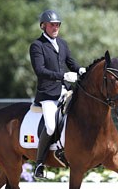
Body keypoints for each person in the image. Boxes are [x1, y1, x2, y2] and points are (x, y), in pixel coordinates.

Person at [29, 9, 86, 179]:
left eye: (57, 25)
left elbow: (71, 62)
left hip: (65, 90)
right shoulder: (37, 46)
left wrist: (81, 69)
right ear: (43, 26)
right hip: (48, 95)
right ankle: (39, 163)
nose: (55, 27)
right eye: (52, 25)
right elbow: (40, 70)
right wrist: (62, 76)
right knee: (51, 126)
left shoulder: (62, 43)